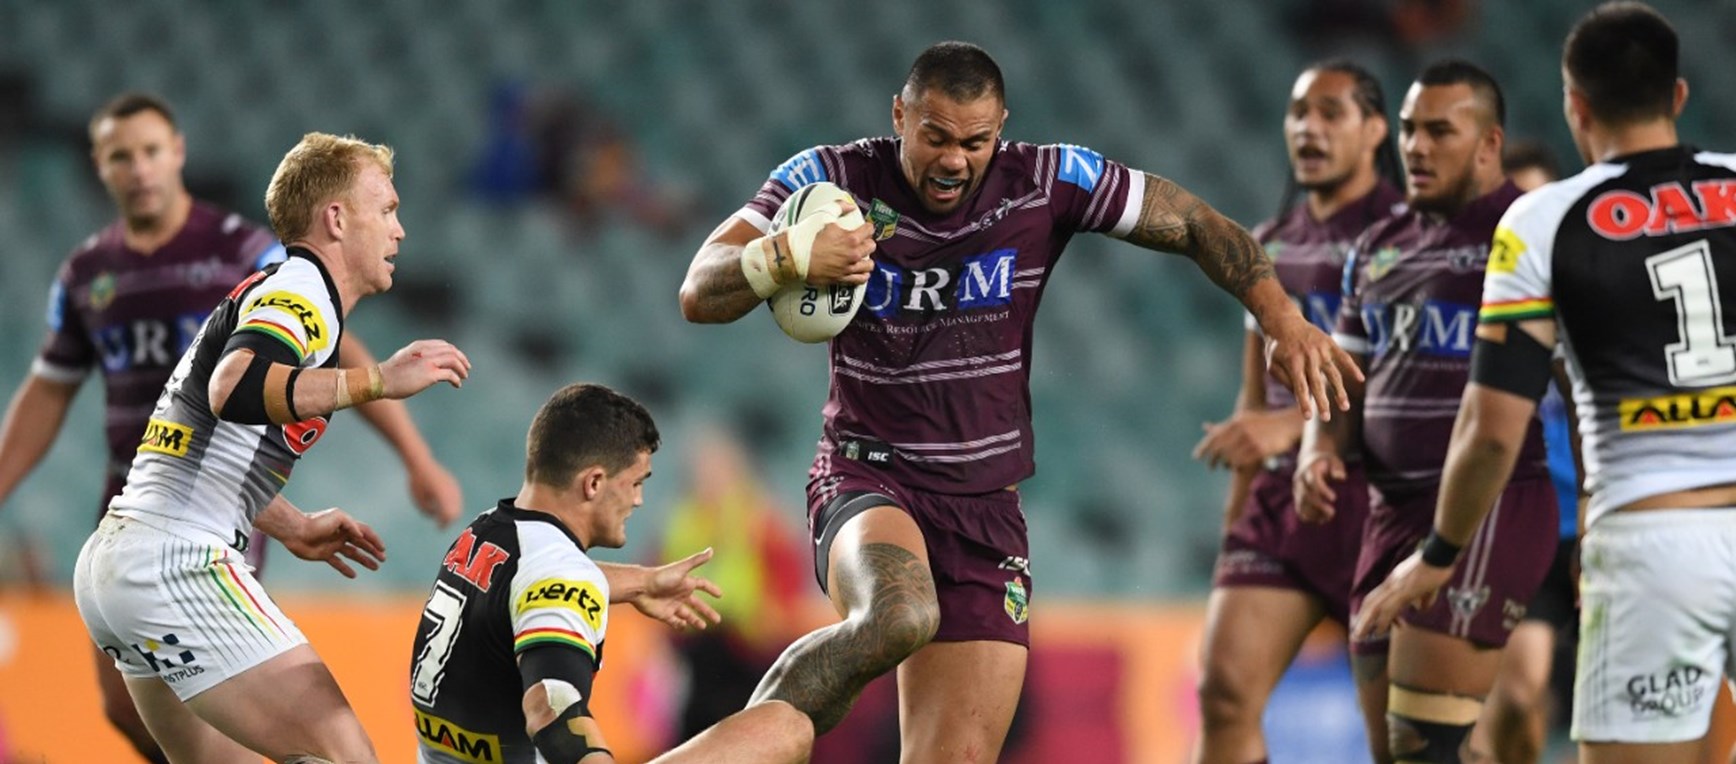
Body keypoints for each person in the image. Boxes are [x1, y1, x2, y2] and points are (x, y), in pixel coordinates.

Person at [679, 41, 1361, 762]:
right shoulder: (830, 178)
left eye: (975, 142)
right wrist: (788, 255)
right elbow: (699, 288)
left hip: (985, 508)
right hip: (869, 476)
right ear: (899, 115)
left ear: (1001, 127)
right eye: (935, 136)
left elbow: (1193, 222)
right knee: (899, 614)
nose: (954, 160)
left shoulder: (1046, 180)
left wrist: (1284, 322)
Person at [0, 93, 464, 762]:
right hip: (176, 562)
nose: (400, 230)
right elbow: (234, 387)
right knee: (348, 755)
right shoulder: (301, 292)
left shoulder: (274, 288)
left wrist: (290, 523)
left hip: (118, 560)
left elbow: (201, 442)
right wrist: (377, 380)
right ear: (337, 218)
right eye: (387, 209)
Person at [1358, 4, 1736, 763]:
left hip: (1656, 542)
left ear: (1575, 106)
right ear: (1679, 95)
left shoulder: (1544, 222)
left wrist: (1439, 554)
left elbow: (1491, 431)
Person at [1297, 60, 1560, 763]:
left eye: (1440, 131)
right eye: (1410, 129)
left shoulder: (1527, 236)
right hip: (1388, 515)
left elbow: (1581, 376)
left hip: (1487, 507)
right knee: (1398, 754)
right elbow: (1345, 379)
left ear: (1489, 143)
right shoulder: (1377, 246)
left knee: (1422, 749)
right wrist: (1319, 449)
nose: (1415, 146)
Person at [408, 382, 813, 764]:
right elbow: (549, 706)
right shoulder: (564, 577)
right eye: (635, 483)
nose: (638, 500)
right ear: (594, 483)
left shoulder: (485, 533)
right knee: (784, 727)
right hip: (718, 659)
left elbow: (529, 583)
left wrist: (641, 583)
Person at [1190, 59, 1402, 764]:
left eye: (1331, 113)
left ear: (1376, 130)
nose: (1309, 128)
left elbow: (1425, 392)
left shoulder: (1409, 239)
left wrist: (1290, 427)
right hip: (1282, 504)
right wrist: (1235, 524)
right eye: (1299, 113)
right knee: (1223, 696)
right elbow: (1254, 404)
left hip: (1381, 505)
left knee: (1403, 740)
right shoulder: (1269, 244)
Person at [1467, 140, 1577, 764]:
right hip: (1522, 527)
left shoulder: (1596, 295)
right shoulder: (1478, 309)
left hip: (1599, 522)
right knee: (1520, 691)